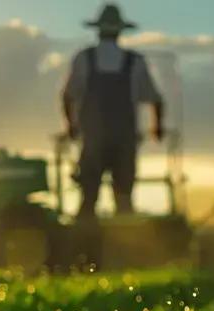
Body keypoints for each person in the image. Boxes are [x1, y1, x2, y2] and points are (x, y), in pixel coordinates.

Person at [62, 4, 164, 219]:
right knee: (124, 199)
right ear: (120, 32)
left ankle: (84, 235)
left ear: (98, 31)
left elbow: (68, 96)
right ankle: (124, 236)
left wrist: (71, 126)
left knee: (88, 198)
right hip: (125, 142)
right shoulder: (136, 62)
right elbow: (156, 99)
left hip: (93, 141)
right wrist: (157, 128)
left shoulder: (84, 58)